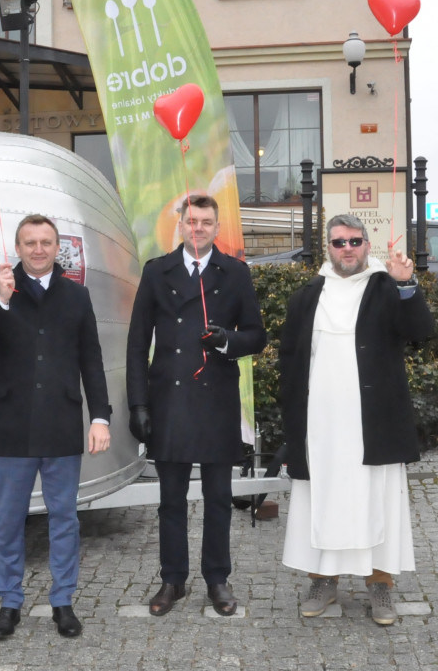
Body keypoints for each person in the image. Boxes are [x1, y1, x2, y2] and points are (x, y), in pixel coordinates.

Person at [279, 213, 433, 626]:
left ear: (367, 244)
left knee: (376, 500)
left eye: (354, 241)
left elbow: (421, 331)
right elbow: (290, 361)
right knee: (321, 500)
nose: (346, 249)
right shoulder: (309, 294)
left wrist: (406, 285)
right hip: (321, 424)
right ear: (328, 248)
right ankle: (323, 580)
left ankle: (380, 585)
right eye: (338, 242)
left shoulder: (387, 287)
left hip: (373, 423)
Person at [0, 214, 111, 641]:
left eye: (46, 241)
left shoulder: (77, 296)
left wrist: (100, 417)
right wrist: (2, 301)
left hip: (62, 423)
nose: (39, 249)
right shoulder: (0, 290)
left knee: (64, 519)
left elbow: (92, 361)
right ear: (19, 247)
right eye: (30, 242)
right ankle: (9, 602)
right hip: (12, 425)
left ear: (57, 247)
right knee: (8, 521)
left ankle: (62, 602)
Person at [126, 194, 266, 617]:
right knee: (171, 498)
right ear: (181, 226)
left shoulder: (236, 273)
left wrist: (227, 341)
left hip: (216, 399)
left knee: (219, 497)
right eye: (192, 221)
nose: (199, 228)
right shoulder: (156, 272)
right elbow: (136, 344)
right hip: (169, 400)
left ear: (216, 228)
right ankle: (173, 579)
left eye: (207, 222)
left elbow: (257, 336)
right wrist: (138, 403)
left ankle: (217, 579)